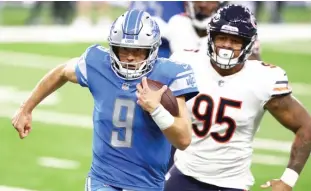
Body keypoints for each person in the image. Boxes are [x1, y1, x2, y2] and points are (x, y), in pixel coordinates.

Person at [11, 10, 199, 191]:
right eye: (124, 49)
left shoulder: (169, 76)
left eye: (139, 50)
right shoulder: (98, 63)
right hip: (103, 179)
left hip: (147, 182)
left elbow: (183, 140)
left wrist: (156, 109)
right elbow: (61, 72)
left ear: (152, 50)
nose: (131, 57)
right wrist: (26, 108)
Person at [165, 4, 311, 191]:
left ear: (248, 44)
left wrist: (288, 180)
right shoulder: (186, 63)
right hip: (183, 175)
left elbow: (306, 126)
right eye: (222, 37)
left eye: (235, 40)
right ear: (211, 37)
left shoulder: (263, 79)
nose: (227, 46)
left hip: (232, 184)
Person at [167, 1, 261, 60]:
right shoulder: (178, 22)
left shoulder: (238, 27)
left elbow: (254, 65)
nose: (203, 4)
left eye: (210, 1)